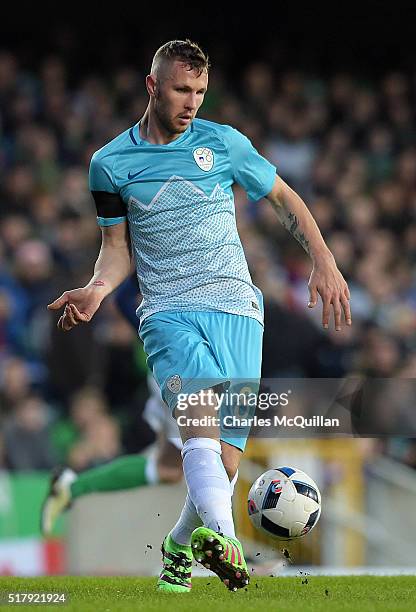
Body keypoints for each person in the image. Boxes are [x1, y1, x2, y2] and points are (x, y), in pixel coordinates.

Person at [46, 40, 351, 592]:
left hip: (239, 311)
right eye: (182, 90)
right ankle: (226, 540)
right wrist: (96, 289)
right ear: (152, 86)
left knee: (225, 466)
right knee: (198, 422)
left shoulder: (224, 143)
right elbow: (117, 248)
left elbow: (284, 198)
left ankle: (178, 548)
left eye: (201, 92)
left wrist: (323, 261)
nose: (192, 103)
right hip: (168, 314)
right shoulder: (110, 164)